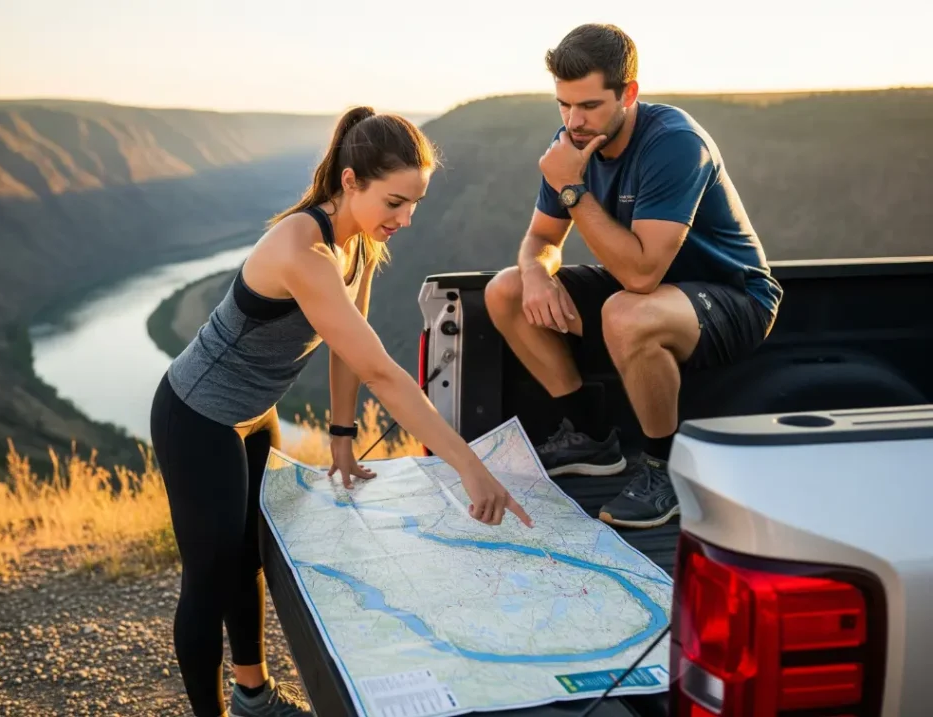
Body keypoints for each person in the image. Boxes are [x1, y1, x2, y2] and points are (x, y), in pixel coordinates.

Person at [149, 106, 533, 717]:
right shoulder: (302, 250)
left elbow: (347, 351)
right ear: (350, 181)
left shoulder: (355, 243)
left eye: (416, 203)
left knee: (247, 554)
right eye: (395, 202)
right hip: (198, 417)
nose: (406, 219)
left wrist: (342, 435)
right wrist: (469, 465)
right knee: (209, 577)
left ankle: (252, 696)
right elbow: (384, 370)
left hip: (254, 414)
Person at [484, 24, 783, 530]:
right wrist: (536, 272)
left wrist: (573, 190)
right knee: (505, 290)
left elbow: (642, 274)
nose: (573, 122)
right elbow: (540, 240)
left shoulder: (675, 143)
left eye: (589, 106)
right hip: (647, 292)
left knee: (626, 310)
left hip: (732, 297)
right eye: (563, 104)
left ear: (629, 94)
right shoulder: (570, 146)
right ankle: (590, 438)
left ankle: (664, 472)